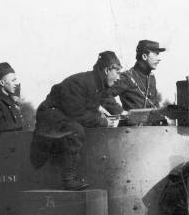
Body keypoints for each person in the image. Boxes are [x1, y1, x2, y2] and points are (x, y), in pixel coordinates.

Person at [31, 51, 123, 190]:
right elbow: (77, 114)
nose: (118, 77)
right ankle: (69, 179)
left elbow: (108, 101)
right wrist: (103, 122)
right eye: (117, 72)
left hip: (63, 114)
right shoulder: (81, 83)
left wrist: (124, 115)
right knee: (75, 130)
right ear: (106, 70)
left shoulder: (99, 84)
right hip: (50, 115)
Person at [108, 40, 165, 114]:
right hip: (132, 125)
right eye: (155, 54)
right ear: (144, 56)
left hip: (152, 125)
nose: (158, 59)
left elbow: (155, 105)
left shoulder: (151, 78)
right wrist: (120, 112)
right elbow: (103, 96)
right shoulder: (126, 77)